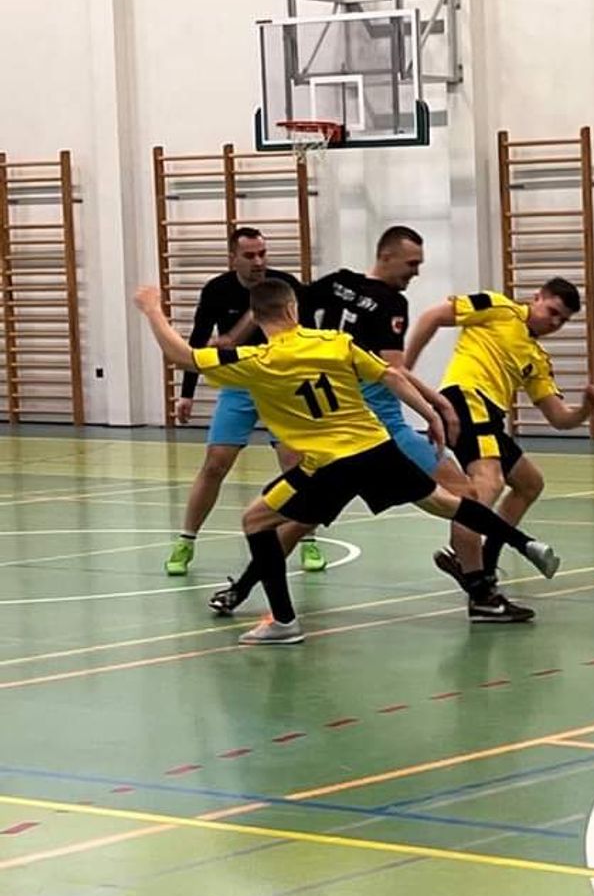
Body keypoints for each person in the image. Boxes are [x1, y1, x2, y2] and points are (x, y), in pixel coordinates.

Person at [134, 279, 561, 645]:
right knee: (447, 503)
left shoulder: (256, 361)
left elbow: (182, 356)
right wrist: (432, 413)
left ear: (259, 318)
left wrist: (153, 309)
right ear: (293, 309)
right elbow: (392, 375)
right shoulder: (336, 343)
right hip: (378, 449)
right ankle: (526, 544)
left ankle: (283, 621)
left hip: (327, 465)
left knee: (256, 520)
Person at [203, 228, 530, 625]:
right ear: (386, 256)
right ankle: (481, 592)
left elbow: (271, 309)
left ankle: (241, 588)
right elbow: (393, 371)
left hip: (334, 435)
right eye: (412, 264)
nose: (415, 273)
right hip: (379, 431)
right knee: (465, 496)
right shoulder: (390, 302)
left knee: (299, 520)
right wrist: (437, 404)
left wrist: (233, 338)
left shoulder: (335, 285)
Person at [401, 279, 594, 612]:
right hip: (466, 399)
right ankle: (476, 582)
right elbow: (432, 316)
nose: (555, 322)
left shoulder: (536, 358)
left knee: (530, 483)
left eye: (563, 320)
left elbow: (559, 418)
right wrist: (403, 368)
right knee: (487, 485)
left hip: (490, 416)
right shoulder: (497, 307)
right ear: (536, 297)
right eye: (552, 311)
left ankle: (483, 560)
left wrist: (586, 409)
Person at [164, 227, 324, 576]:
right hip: (240, 384)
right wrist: (187, 394)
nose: (258, 261)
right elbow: (198, 341)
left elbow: (310, 334)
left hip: (283, 386)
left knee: (296, 464)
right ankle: (186, 540)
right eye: (250, 255)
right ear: (232, 258)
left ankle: (308, 540)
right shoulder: (217, 290)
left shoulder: (284, 286)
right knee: (215, 463)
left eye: (263, 254)